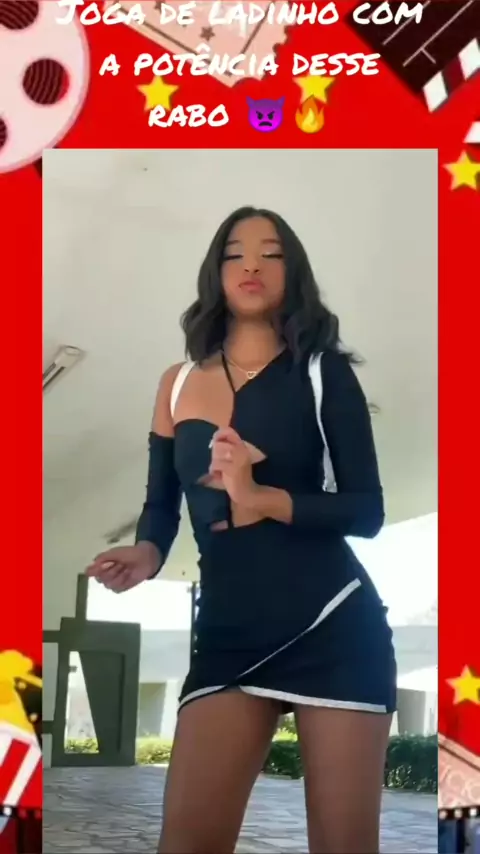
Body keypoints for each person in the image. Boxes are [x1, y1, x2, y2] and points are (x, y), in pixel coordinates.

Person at [86, 206, 397, 854]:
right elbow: (161, 505)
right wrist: (146, 553)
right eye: (235, 253)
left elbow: (366, 512)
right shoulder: (176, 385)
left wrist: (261, 497)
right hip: (229, 632)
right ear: (216, 272)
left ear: (293, 271)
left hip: (332, 623)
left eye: (271, 253)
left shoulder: (323, 372)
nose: (252, 265)